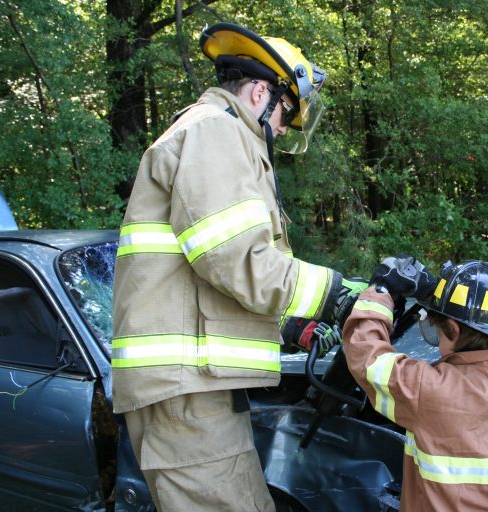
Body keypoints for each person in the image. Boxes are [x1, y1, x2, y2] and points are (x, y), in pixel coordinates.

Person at [111, 22, 365, 511]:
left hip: (193, 388)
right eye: (287, 113)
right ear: (259, 93)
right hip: (187, 390)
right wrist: (334, 294)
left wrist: (289, 325)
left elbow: (204, 274)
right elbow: (234, 257)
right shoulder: (215, 131)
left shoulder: (213, 133)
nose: (284, 129)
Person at [341, 256, 488, 510]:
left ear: (453, 328)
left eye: (439, 331)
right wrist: (438, 292)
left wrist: (378, 293)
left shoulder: (431, 391)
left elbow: (368, 359)